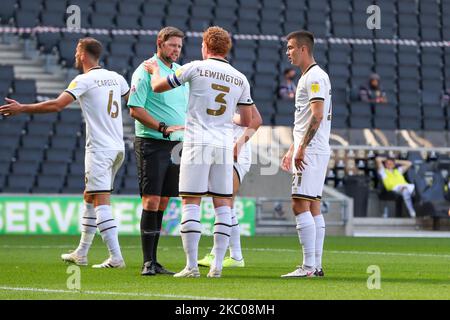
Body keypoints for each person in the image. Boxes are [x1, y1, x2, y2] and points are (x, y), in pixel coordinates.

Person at [0, 37, 129, 268]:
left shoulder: (83, 80)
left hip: (99, 149)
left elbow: (57, 105)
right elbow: (132, 101)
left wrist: (22, 108)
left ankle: (116, 257)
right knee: (90, 196)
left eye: (77, 51)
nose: (75, 55)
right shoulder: (116, 78)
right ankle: (81, 252)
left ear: (82, 54)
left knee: (101, 200)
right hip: (118, 147)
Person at [144, 26, 255, 278]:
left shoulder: (195, 67)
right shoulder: (240, 77)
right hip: (224, 145)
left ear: (205, 46)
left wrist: (154, 71)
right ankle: (217, 266)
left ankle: (192, 266)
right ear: (226, 48)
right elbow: (247, 119)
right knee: (222, 205)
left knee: (190, 202)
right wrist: (226, 116)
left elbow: (159, 87)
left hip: (197, 142)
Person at [127, 27, 188, 276]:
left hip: (176, 145)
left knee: (163, 201)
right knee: (151, 200)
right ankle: (147, 261)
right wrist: (162, 127)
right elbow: (135, 108)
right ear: (160, 43)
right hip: (152, 142)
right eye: (172, 45)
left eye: (179, 46)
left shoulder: (177, 72)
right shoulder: (145, 70)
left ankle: (154, 260)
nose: (176, 50)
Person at [280, 30, 332, 278]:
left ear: (303, 49)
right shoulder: (312, 76)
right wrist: (293, 146)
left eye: (290, 48)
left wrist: (301, 148)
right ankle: (316, 265)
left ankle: (308, 266)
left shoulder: (313, 77)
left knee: (299, 203)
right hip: (313, 147)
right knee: (312, 206)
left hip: (311, 149)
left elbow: (318, 114)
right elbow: (304, 118)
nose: (287, 52)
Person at [197, 105, 262, 268]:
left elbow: (257, 119)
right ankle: (235, 256)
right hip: (220, 151)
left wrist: (239, 144)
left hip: (235, 154)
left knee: (224, 202)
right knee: (224, 203)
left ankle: (223, 255)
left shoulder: (238, 88)